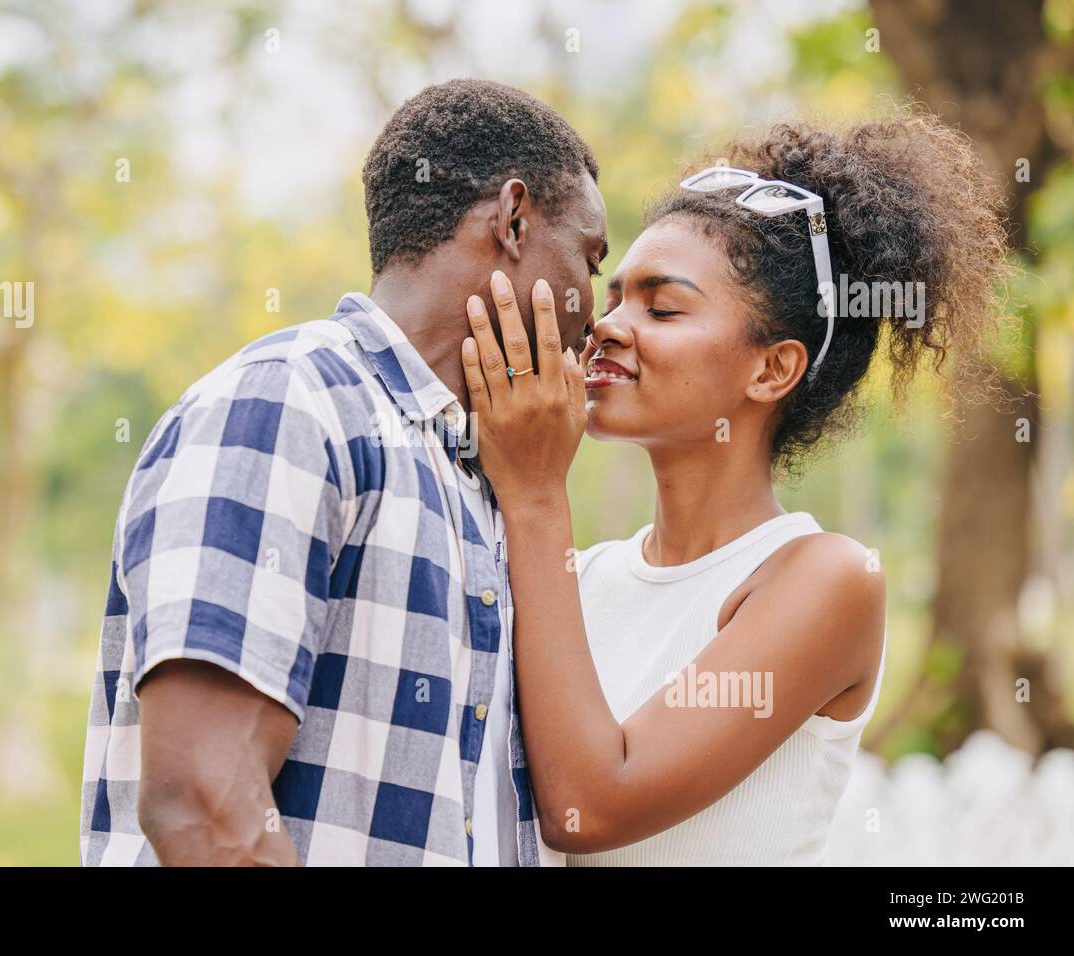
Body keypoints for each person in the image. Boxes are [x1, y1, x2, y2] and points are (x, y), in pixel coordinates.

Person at [80, 78, 608, 866]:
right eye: (590, 260)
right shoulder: (289, 404)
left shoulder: (475, 474)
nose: (592, 312)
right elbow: (203, 803)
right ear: (514, 217)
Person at [458, 114, 1008, 864]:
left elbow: (589, 805)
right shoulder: (580, 579)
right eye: (614, 297)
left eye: (663, 307)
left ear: (771, 369)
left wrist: (534, 492)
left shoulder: (827, 579)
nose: (608, 327)